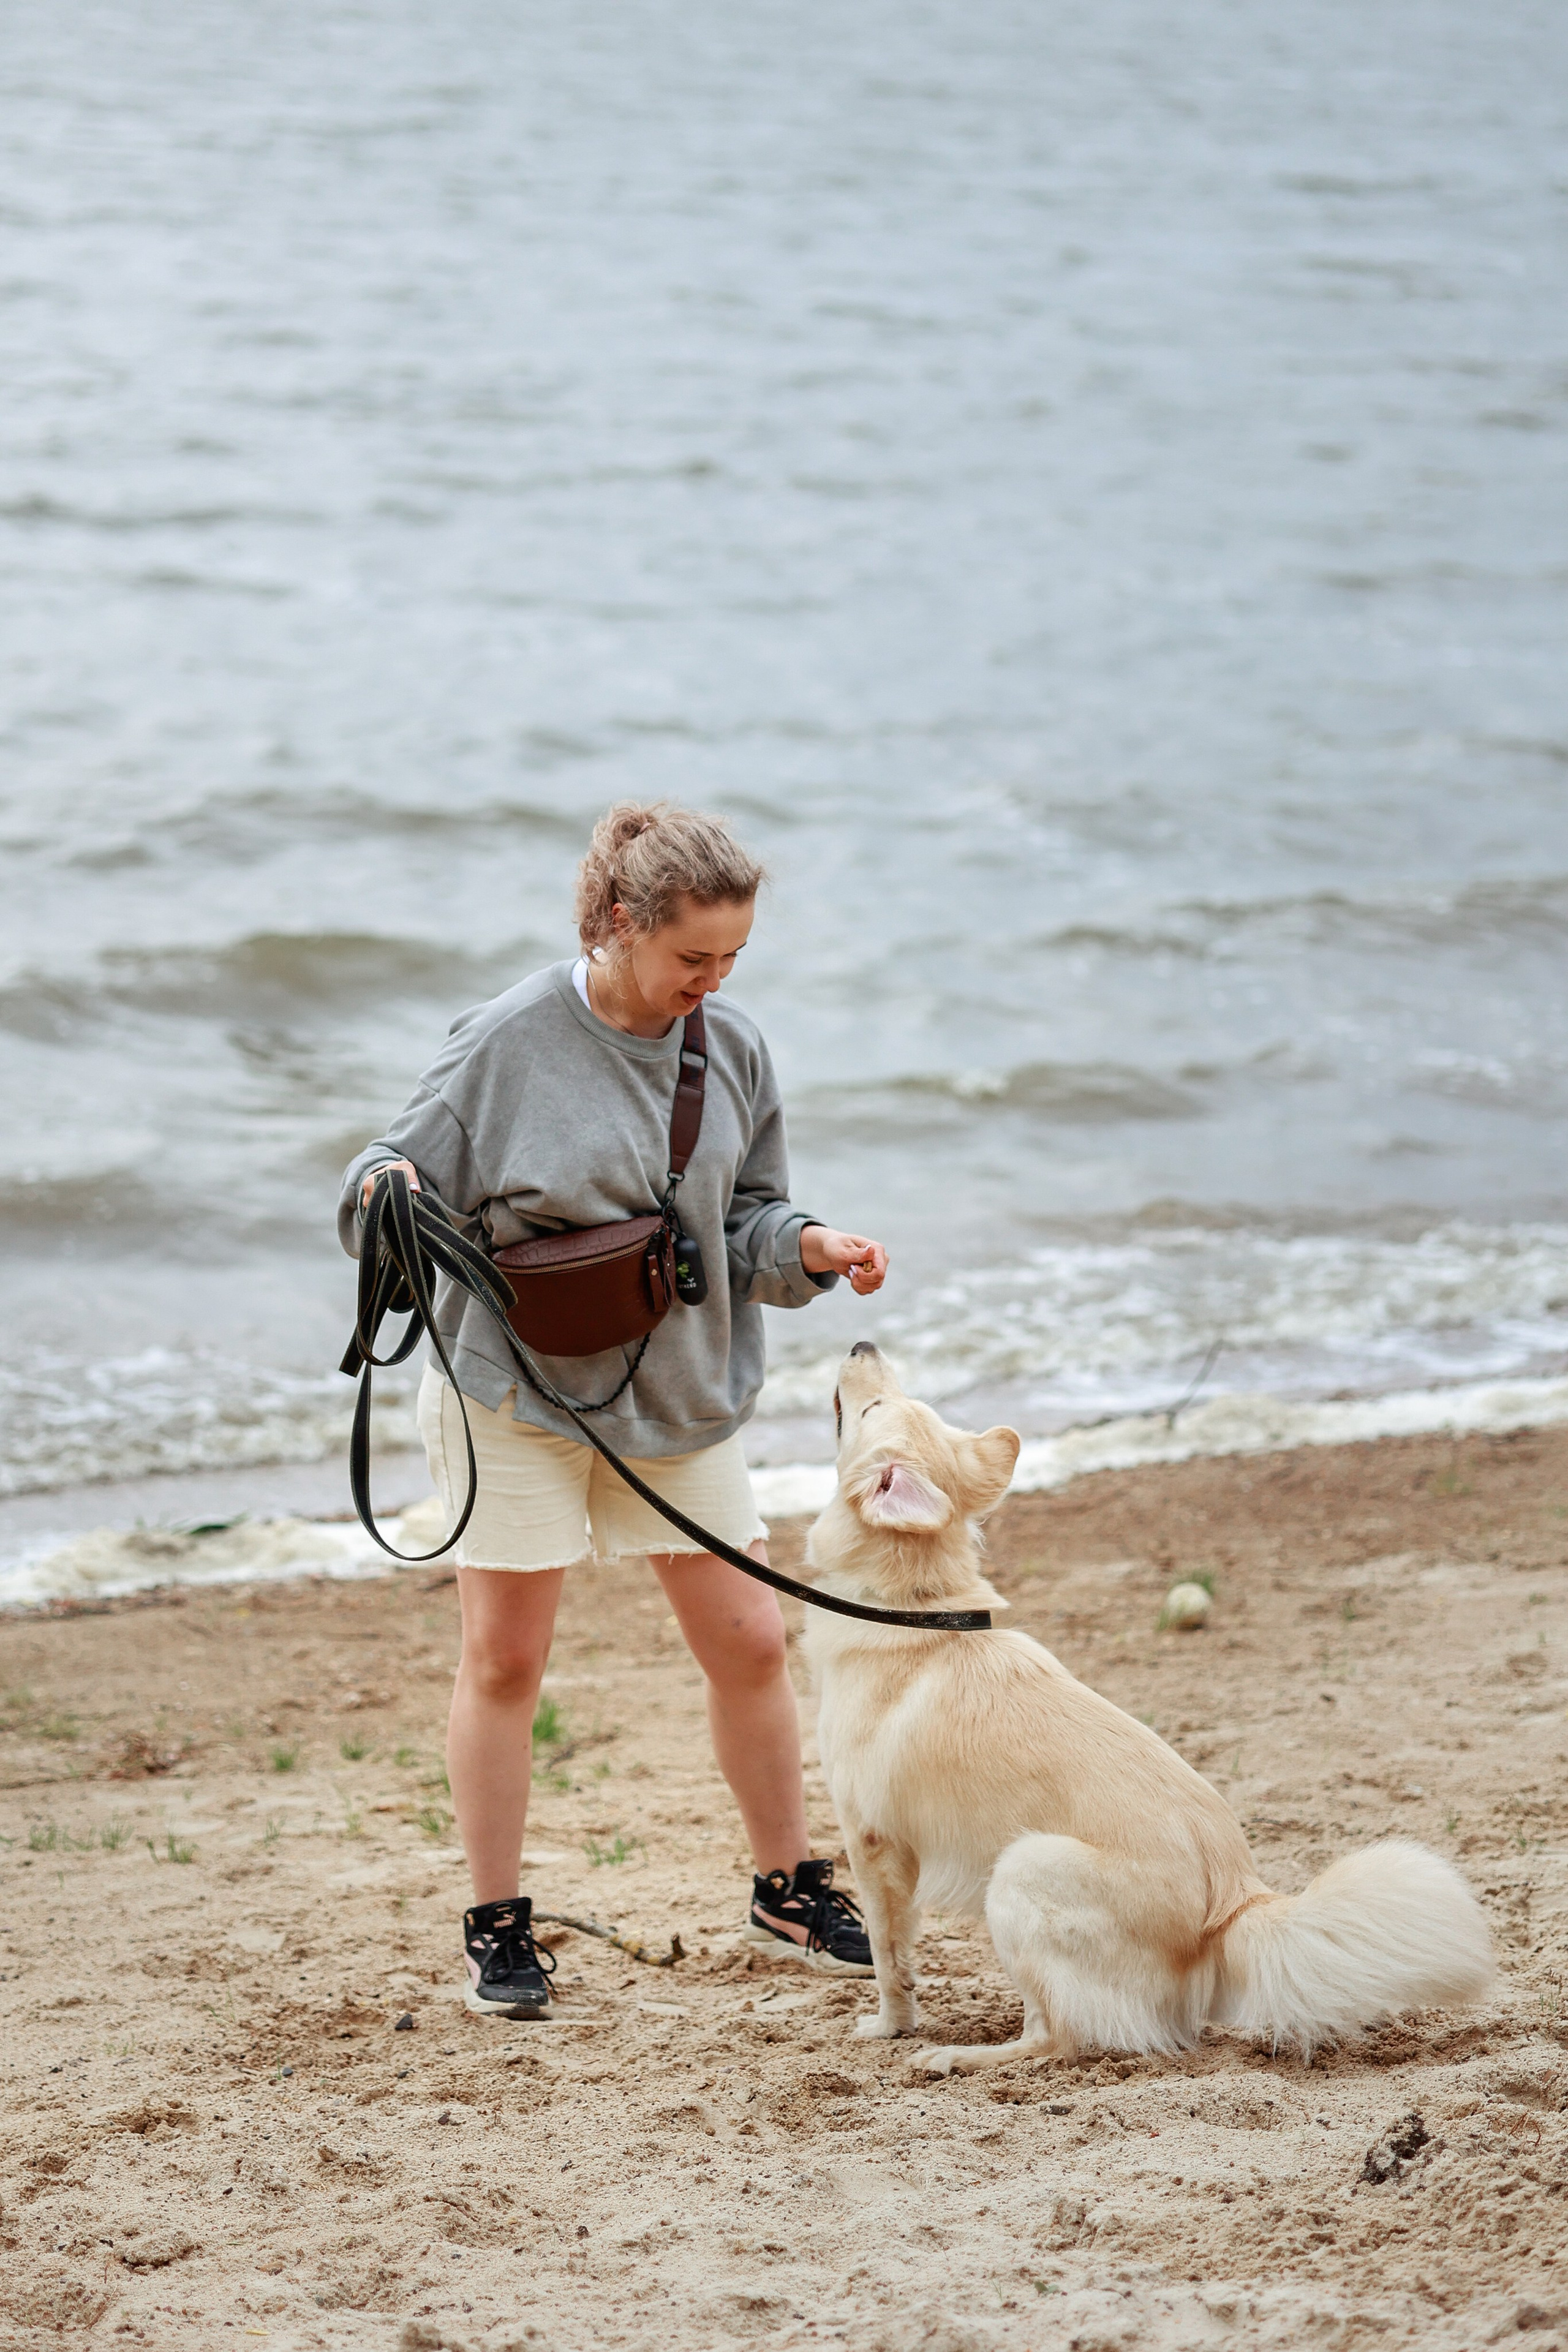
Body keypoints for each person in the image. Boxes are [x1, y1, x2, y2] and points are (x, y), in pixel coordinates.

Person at [338, 801, 888, 2019]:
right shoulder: (509, 1040)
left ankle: (784, 1889)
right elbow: (388, 1167)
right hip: (514, 1397)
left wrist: (808, 1245)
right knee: (506, 1658)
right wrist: (383, 1187)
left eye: (733, 956)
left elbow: (744, 1220)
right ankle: (496, 1927)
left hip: (679, 1394)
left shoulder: (730, 1048)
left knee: (748, 1641)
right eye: (694, 955)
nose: (715, 979)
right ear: (620, 925)